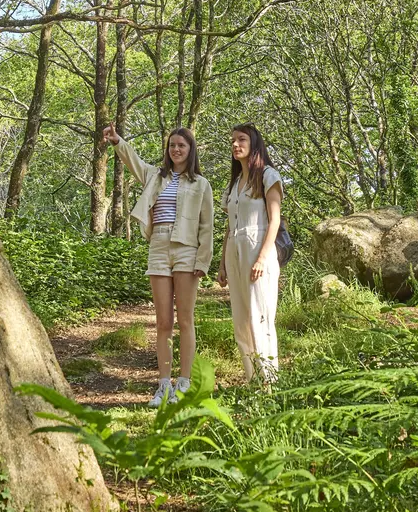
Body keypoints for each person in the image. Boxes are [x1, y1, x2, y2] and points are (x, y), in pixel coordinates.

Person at [103, 122, 214, 407]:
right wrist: (118, 142)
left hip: (187, 249)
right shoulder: (156, 176)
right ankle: (163, 384)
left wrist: (203, 260)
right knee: (163, 322)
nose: (176, 150)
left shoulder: (201, 184)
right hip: (159, 247)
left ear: (191, 150)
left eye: (182, 146)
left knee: (185, 319)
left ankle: (185, 383)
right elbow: (135, 163)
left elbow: (207, 226)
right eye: (172, 145)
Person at [217, 124, 283, 384]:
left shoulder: (268, 175)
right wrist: (222, 263)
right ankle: (253, 379)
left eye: (241, 139)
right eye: (232, 140)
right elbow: (229, 227)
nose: (235, 144)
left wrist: (262, 258)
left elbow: (274, 221)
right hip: (235, 251)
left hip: (258, 251)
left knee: (260, 316)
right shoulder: (234, 184)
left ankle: (270, 381)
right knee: (242, 321)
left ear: (254, 143)